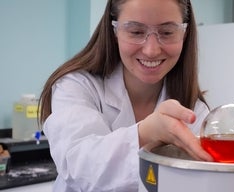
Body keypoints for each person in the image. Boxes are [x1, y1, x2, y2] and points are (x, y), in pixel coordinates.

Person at [39, 0, 212, 191]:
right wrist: (146, 132)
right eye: (136, 32)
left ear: (184, 34)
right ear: (114, 31)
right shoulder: (77, 86)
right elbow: (79, 168)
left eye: (167, 32)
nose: (151, 50)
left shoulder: (194, 110)